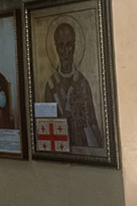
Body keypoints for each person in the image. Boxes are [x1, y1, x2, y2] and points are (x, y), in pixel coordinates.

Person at [43, 21, 104, 150]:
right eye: (61, 46)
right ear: (56, 48)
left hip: (82, 144)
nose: (65, 51)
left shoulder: (82, 83)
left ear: (75, 46)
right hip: (61, 145)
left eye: (69, 45)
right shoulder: (51, 85)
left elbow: (92, 122)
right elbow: (47, 125)